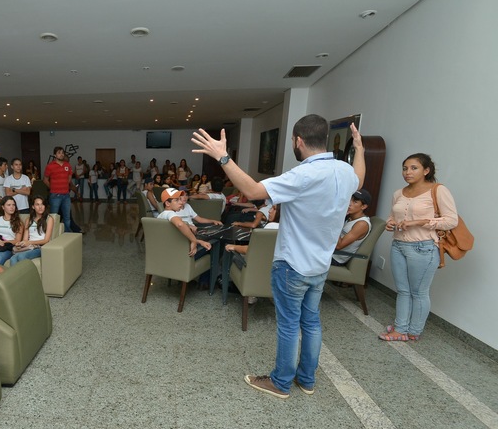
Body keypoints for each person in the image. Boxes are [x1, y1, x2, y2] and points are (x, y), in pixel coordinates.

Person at [192, 114, 365, 399]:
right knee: (311, 322)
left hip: (293, 264)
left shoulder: (303, 175)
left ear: (298, 141)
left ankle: (281, 382)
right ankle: (306, 380)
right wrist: (358, 148)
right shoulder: (345, 172)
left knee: (288, 325)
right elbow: (360, 176)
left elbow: (252, 191)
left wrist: (223, 158)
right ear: (323, 139)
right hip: (320, 265)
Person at [380, 154, 458, 342]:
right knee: (403, 290)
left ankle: (414, 331)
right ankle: (401, 328)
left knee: (418, 292)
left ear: (426, 170)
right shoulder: (398, 193)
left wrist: (420, 222)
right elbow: (392, 216)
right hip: (398, 245)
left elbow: (451, 221)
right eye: (405, 168)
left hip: (423, 248)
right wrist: (390, 223)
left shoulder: (438, 190)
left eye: (414, 168)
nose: (407, 172)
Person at [157, 188, 212, 258]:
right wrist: (194, 241)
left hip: (169, 251)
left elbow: (177, 237)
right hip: (181, 253)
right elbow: (180, 224)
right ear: (167, 203)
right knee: (211, 247)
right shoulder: (170, 213)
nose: (180, 202)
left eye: (180, 199)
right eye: (176, 200)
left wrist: (199, 241)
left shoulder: (161, 215)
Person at [8, 195, 55, 266]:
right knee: (13, 259)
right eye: (37, 204)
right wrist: (21, 244)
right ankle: (15, 274)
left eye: (42, 204)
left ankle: (24, 273)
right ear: (33, 206)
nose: (40, 207)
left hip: (40, 247)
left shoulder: (49, 219)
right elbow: (25, 239)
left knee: (21, 256)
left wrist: (30, 242)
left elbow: (46, 240)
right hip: (29, 247)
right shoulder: (29, 220)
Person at [331, 189, 372, 266]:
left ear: (363, 206)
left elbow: (339, 246)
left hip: (335, 258)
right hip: (329, 252)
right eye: (350, 200)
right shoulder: (350, 217)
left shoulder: (362, 224)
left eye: (355, 202)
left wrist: (337, 221)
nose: (349, 204)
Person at [44, 146, 73, 232]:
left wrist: (65, 185)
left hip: (66, 195)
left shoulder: (67, 165)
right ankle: (52, 234)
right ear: (55, 155)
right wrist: (53, 187)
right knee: (54, 217)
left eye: (62, 153)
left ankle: (67, 234)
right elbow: (45, 180)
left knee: (67, 217)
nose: (61, 154)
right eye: (59, 153)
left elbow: (69, 177)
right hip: (55, 195)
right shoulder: (50, 166)